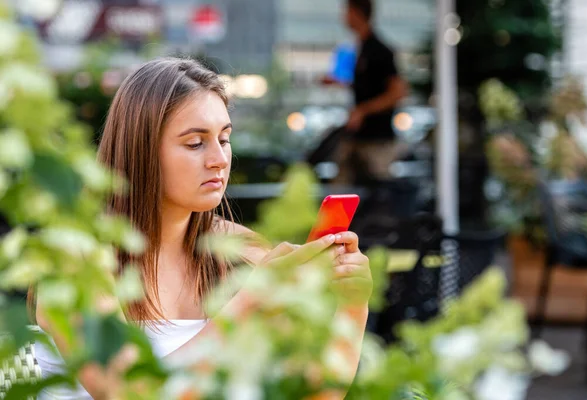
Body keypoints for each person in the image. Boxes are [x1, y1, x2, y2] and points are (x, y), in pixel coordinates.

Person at [33, 57, 372, 399]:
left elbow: (311, 394)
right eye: (196, 143)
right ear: (142, 150)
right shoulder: (75, 257)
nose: (219, 159)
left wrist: (352, 306)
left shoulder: (241, 252)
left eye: (224, 139)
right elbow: (130, 391)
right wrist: (250, 302)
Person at [333, 0, 407, 185]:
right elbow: (369, 86)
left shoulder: (379, 51)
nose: (344, 18)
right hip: (359, 136)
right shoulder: (359, 49)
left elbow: (398, 92)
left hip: (377, 138)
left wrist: (363, 110)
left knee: (377, 193)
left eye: (347, 12)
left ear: (357, 13)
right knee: (343, 186)